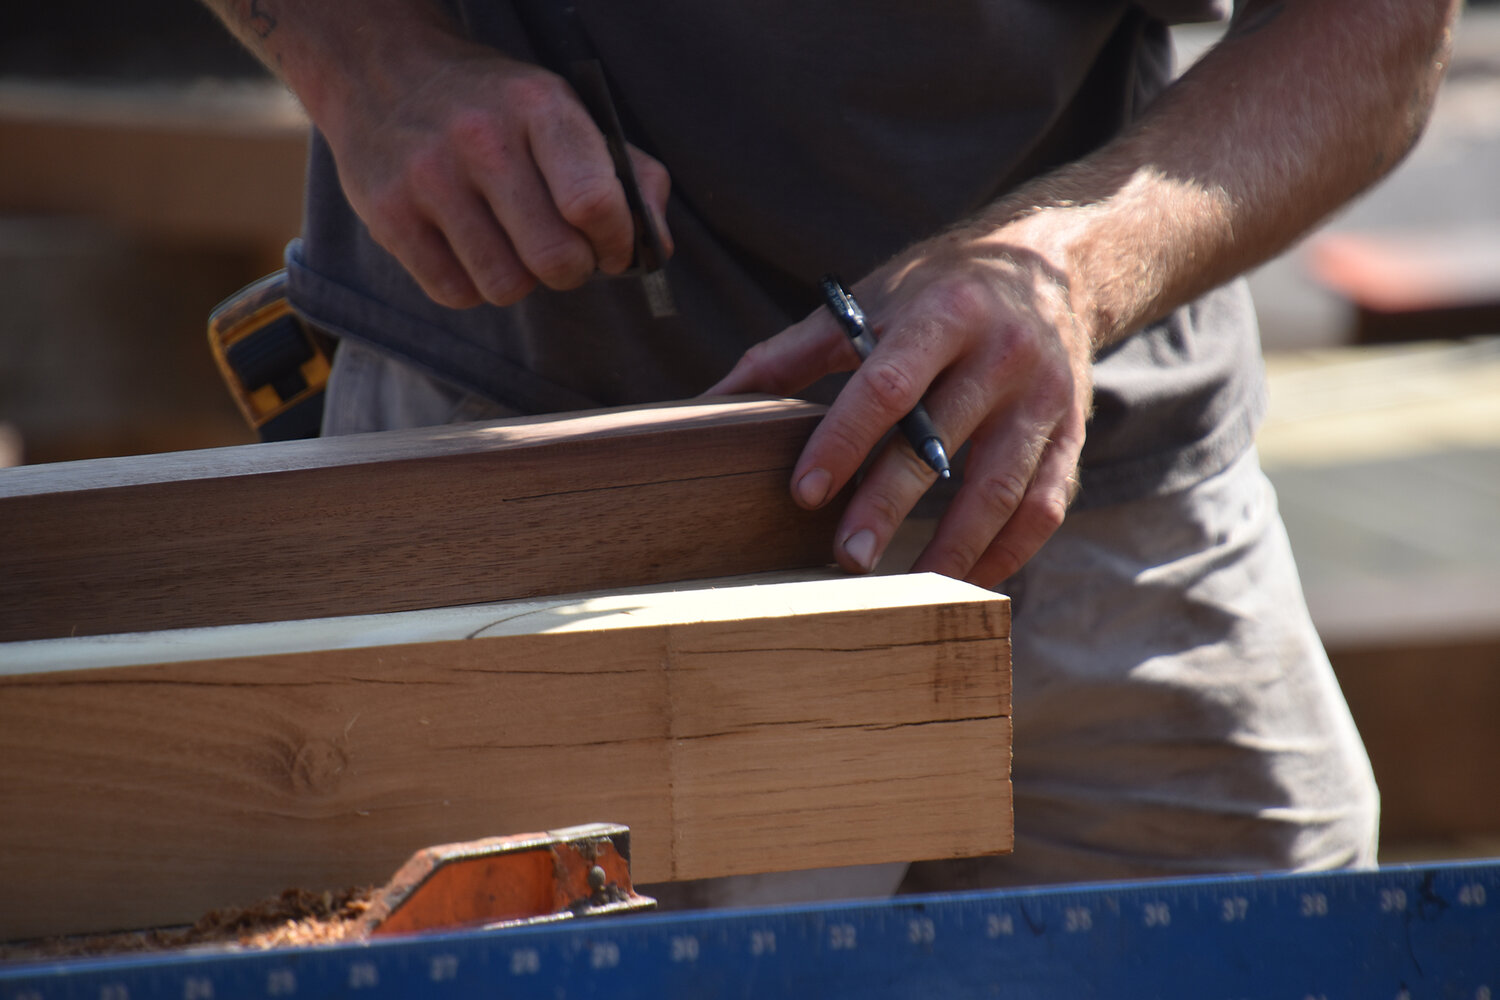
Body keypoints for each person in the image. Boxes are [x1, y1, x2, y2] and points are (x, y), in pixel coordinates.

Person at [201, 0, 1458, 897]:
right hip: (540, 462)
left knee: (1296, 934)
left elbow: (1379, 28)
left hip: (1096, 459)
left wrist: (1072, 268)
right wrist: (369, 56)